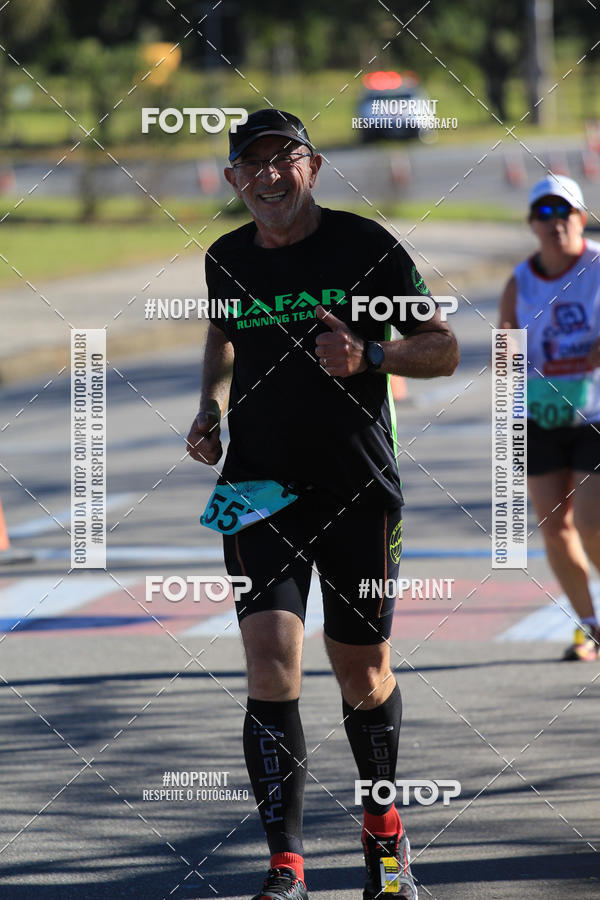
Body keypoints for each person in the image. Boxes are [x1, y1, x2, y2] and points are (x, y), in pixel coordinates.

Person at [186, 108, 459, 900]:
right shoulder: (227, 257)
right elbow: (221, 334)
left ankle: (384, 839)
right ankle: (288, 867)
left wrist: (373, 353)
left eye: (285, 160)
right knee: (272, 665)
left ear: (312, 167)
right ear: (233, 178)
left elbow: (442, 346)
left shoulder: (365, 248)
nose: (269, 177)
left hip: (357, 488)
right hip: (256, 486)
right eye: (252, 164)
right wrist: (208, 406)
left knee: (362, 673)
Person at [499, 174, 600, 661]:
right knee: (554, 527)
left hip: (595, 415)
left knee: (592, 525)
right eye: (544, 213)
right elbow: (505, 354)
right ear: (531, 224)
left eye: (564, 212)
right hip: (539, 417)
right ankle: (590, 625)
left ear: (581, 217)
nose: (555, 222)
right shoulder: (519, 282)